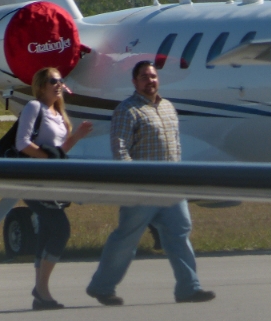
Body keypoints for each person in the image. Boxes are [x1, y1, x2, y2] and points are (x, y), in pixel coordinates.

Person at [86, 60, 215, 306]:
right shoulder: (128, 109)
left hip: (171, 187)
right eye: (144, 77)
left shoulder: (167, 107)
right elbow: (120, 147)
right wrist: (132, 179)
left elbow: (175, 145)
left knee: (179, 233)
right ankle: (102, 287)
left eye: (153, 76)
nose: (150, 81)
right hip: (143, 188)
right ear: (135, 82)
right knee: (126, 238)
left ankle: (189, 288)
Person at [17, 67, 92, 310]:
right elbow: (22, 143)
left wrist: (77, 137)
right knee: (60, 229)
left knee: (49, 231)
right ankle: (42, 288)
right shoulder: (34, 108)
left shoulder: (59, 114)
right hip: (35, 180)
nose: (58, 85)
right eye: (53, 81)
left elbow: (60, 151)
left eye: (61, 81)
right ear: (41, 86)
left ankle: (41, 294)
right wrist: (47, 160)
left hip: (53, 181)